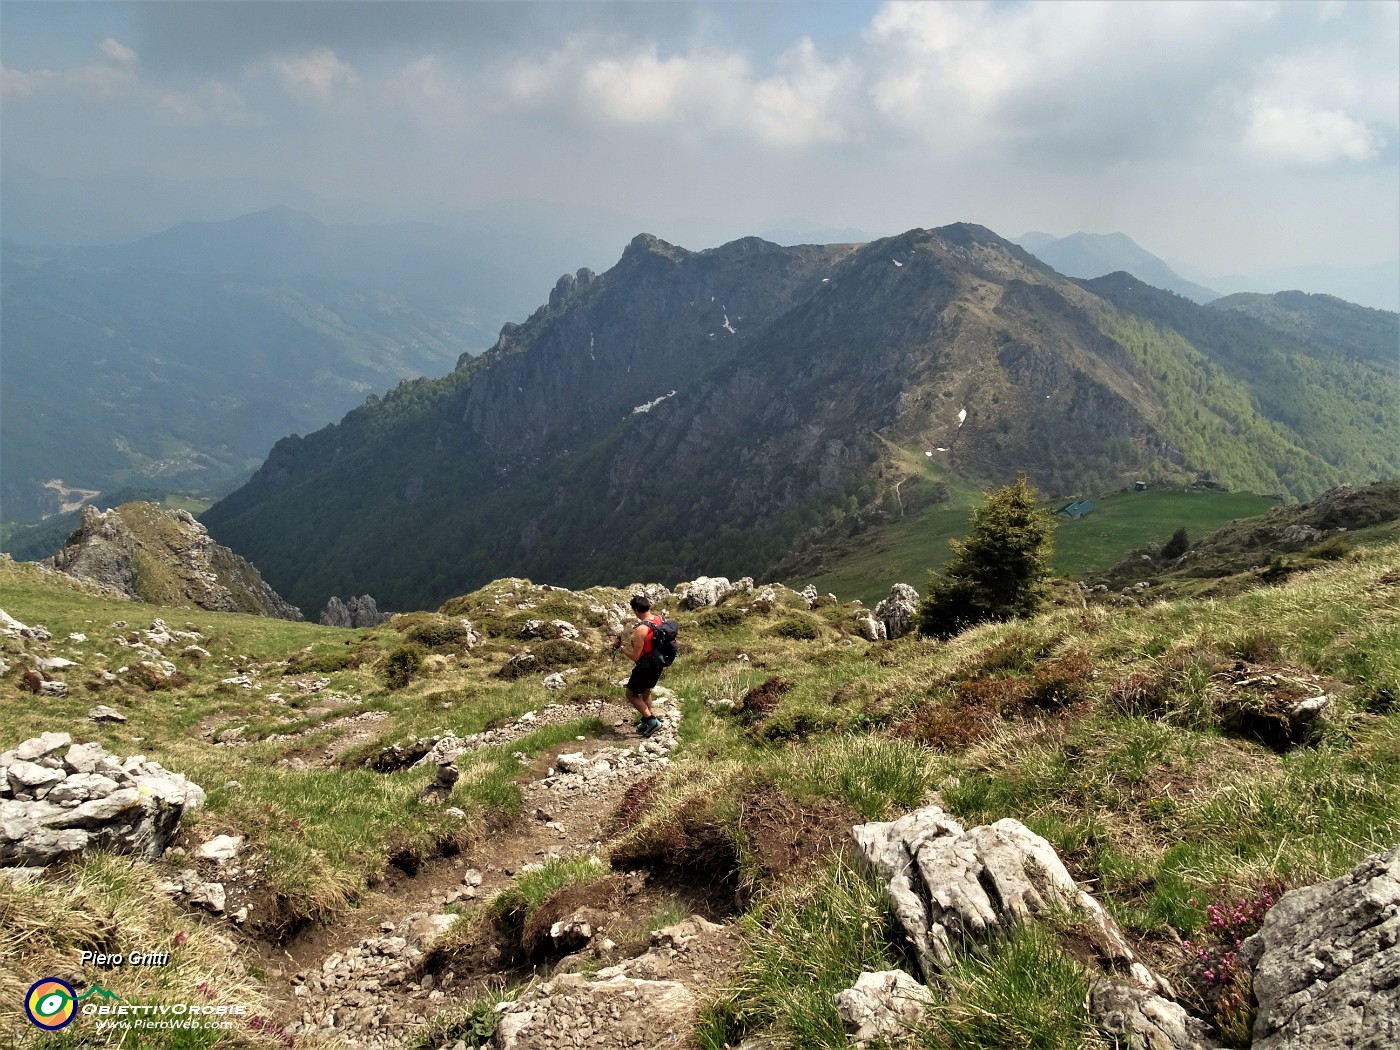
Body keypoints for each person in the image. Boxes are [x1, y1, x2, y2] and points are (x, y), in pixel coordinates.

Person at [614, 593, 665, 737]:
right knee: (646, 690)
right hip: (658, 663)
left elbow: (636, 656)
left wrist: (621, 648)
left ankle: (651, 720)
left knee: (630, 694)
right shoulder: (658, 619)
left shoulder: (641, 630)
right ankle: (646, 719)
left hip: (645, 666)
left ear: (636, 610)